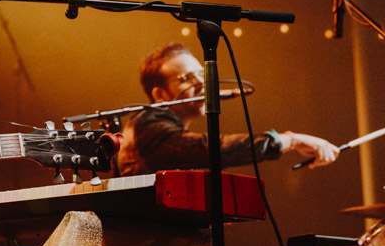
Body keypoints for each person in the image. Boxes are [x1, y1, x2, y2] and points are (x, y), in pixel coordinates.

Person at [115, 42, 339, 178]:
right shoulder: (148, 124)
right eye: (186, 78)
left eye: (201, 74)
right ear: (160, 95)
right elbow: (211, 149)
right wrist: (292, 140)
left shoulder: (160, 128)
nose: (201, 83)